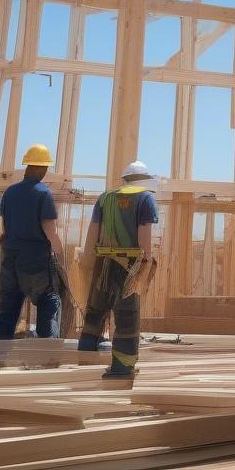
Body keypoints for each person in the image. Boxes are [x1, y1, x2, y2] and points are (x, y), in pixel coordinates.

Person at [77, 160, 158, 379]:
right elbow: (144, 237)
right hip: (129, 265)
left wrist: (88, 262)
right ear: (145, 180)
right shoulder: (146, 198)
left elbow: (92, 233)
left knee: (95, 311)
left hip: (103, 264)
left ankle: (84, 359)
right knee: (127, 315)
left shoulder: (105, 198)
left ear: (124, 179)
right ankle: (122, 368)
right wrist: (147, 263)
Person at [0, 144, 68, 340]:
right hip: (36, 262)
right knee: (49, 304)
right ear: (43, 169)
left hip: (10, 260)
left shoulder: (9, 192)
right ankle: (47, 358)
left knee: (7, 313)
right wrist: (61, 258)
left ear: (27, 167)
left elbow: (5, 229)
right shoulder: (43, 194)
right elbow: (50, 231)